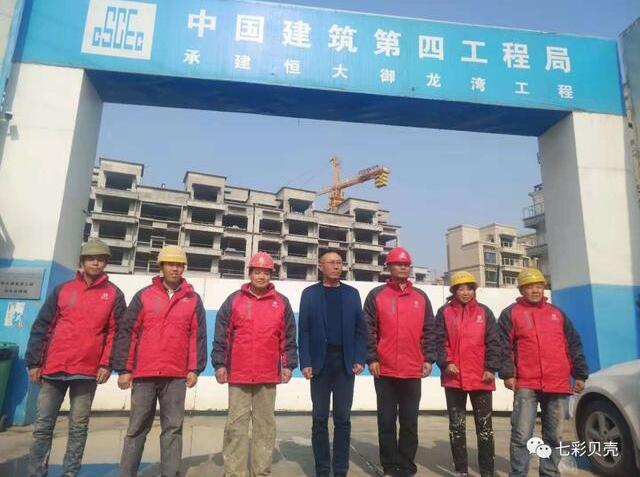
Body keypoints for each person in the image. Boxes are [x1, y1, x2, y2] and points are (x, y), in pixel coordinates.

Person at [25, 239, 126, 477]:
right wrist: (35, 362)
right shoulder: (63, 290)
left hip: (87, 372)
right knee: (42, 427)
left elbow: (117, 333)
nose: (95, 263)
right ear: (82, 262)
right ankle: (36, 473)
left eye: (100, 259)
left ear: (106, 263)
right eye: (91, 258)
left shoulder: (114, 294)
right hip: (53, 369)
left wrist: (106, 364)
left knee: (78, 429)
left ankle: (70, 473)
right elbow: (43, 326)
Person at [112, 245, 207, 477]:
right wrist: (124, 369)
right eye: (171, 264)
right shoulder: (143, 296)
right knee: (136, 428)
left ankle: (170, 473)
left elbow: (197, 336)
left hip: (175, 376)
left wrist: (194, 368)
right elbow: (129, 332)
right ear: (161, 267)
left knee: (173, 429)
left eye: (180, 265)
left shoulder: (193, 299)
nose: (176, 269)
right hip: (144, 375)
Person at [212, 251, 297, 477]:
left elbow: (288, 337)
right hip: (238, 374)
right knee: (235, 426)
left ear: (271, 275)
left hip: (268, 375)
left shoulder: (281, 303)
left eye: (266, 273)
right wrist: (220, 364)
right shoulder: (234, 300)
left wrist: (288, 366)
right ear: (249, 273)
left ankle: (261, 472)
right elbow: (221, 335)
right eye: (257, 272)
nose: (261, 276)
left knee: (265, 426)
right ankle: (234, 473)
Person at [499, 267, 589, 477]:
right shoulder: (511, 313)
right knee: (521, 435)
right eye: (529, 287)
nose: (535, 290)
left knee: (554, 437)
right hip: (526, 384)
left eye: (539, 286)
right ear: (521, 289)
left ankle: (549, 473)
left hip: (557, 383)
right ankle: (518, 474)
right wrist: (508, 373)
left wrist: (580, 374)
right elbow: (503, 346)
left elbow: (573, 344)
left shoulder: (557, 314)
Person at [364, 246, 436, 477]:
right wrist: (372, 358)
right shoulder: (377, 295)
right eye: (398, 264)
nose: (403, 267)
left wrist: (428, 359)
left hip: (412, 370)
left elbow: (430, 330)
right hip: (384, 370)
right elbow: (368, 330)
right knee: (386, 421)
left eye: (406, 264)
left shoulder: (420, 297)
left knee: (409, 422)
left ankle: (406, 466)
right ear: (389, 267)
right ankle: (390, 466)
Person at [298, 250, 367, 477]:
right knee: (319, 418)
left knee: (342, 418)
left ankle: (340, 469)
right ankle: (322, 469)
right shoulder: (310, 294)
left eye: (339, 262)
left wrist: (359, 358)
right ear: (321, 266)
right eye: (331, 263)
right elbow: (304, 331)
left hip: (344, 362)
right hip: (320, 363)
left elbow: (360, 330)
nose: (336, 266)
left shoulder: (352, 294)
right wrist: (306, 361)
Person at [435, 271, 501, 477]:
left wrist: (490, 368)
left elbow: (494, 342)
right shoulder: (444, 312)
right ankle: (461, 470)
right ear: (454, 291)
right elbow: (438, 341)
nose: (466, 292)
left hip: (482, 378)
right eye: (461, 289)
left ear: (474, 290)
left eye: (469, 288)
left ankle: (487, 472)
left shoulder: (484, 312)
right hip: (454, 379)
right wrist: (446, 363)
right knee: (457, 427)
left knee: (485, 428)